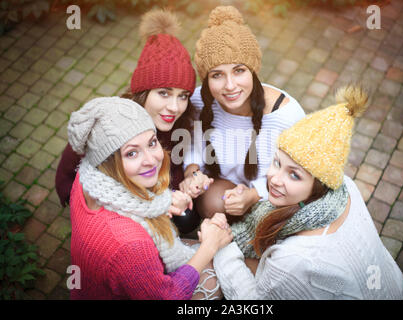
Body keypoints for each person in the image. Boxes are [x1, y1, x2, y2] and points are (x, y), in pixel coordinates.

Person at [212, 85, 403, 300]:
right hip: (389, 285)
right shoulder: (345, 186)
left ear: (318, 185)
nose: (274, 179)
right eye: (277, 162)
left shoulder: (293, 259)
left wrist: (222, 249)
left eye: (294, 175)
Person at [68, 97, 232, 299]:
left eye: (152, 143)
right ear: (107, 162)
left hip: (91, 286)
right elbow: (167, 296)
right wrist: (209, 247)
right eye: (131, 153)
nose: (151, 160)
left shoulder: (86, 179)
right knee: (228, 271)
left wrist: (166, 200)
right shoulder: (129, 244)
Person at [55, 9, 200, 233]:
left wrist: (184, 186)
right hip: (110, 201)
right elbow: (70, 164)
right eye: (164, 93)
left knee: (188, 218)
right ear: (143, 91)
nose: (175, 106)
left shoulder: (178, 123)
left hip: (148, 193)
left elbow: (173, 168)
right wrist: (71, 198)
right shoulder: (111, 122)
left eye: (182, 96)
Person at [179, 6, 306, 220]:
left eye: (239, 71)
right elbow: (192, 143)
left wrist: (255, 195)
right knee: (211, 202)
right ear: (207, 79)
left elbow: (299, 176)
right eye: (217, 75)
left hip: (277, 195)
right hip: (227, 187)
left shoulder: (285, 116)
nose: (230, 86)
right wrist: (191, 174)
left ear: (253, 71)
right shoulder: (200, 100)